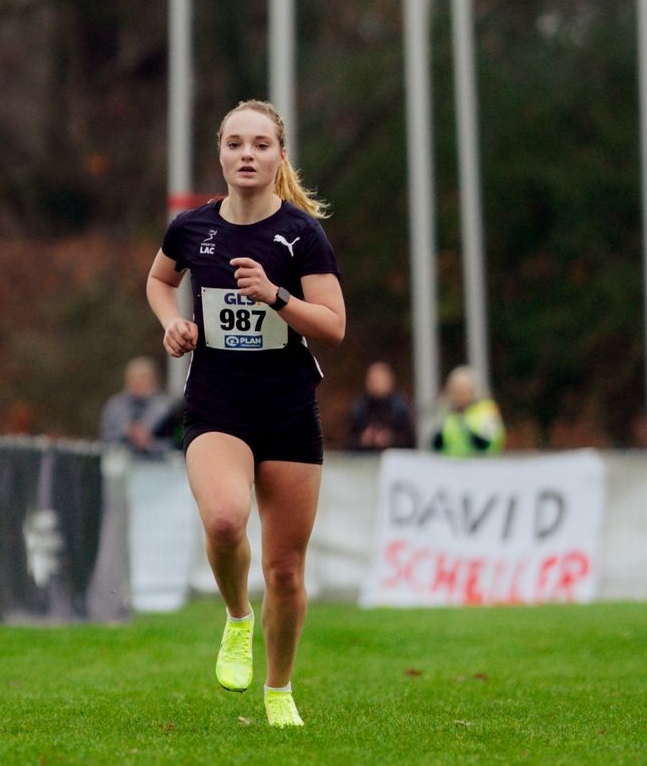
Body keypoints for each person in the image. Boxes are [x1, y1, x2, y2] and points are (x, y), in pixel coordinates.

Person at [145, 99, 345, 727]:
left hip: (286, 408)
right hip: (217, 402)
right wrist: (173, 322)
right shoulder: (191, 228)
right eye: (236, 144)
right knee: (226, 522)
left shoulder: (301, 235)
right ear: (221, 154)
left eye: (261, 144)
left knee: (284, 571)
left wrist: (277, 295)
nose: (248, 154)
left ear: (279, 155)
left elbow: (334, 326)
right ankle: (236, 618)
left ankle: (279, 692)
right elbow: (158, 281)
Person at [99, 356, 176, 458]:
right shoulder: (114, 407)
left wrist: (149, 443)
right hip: (121, 467)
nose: (138, 382)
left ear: (153, 380)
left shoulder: (167, 408)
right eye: (133, 378)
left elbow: (175, 442)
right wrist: (126, 433)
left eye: (143, 377)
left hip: (159, 467)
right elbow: (105, 438)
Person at [432, 365, 505, 455]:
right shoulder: (446, 413)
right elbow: (435, 445)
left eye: (462, 391)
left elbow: (488, 444)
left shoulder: (486, 411)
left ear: (473, 391)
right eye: (454, 391)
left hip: (481, 466)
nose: (458, 396)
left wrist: (463, 424)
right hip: (451, 467)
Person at [347, 361, 416, 451]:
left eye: (379, 380)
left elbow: (410, 441)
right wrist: (363, 440)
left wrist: (390, 440)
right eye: (373, 380)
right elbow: (347, 442)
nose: (376, 384)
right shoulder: (360, 409)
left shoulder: (399, 408)